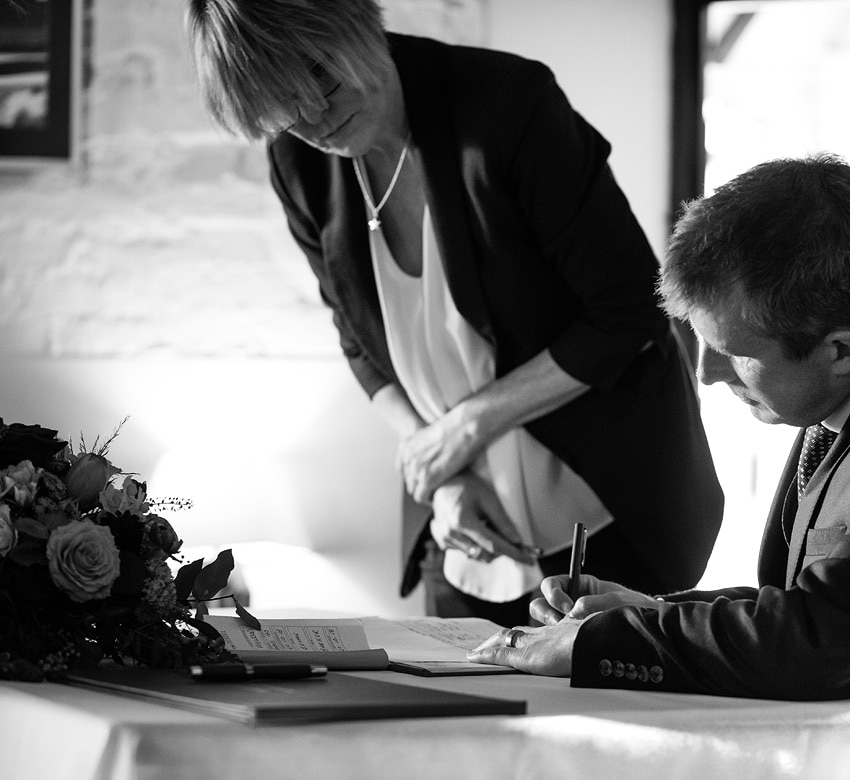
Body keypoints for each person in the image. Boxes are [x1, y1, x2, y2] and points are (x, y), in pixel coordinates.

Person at [470, 154, 850, 780]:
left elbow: (820, 642)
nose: (706, 373)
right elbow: (818, 601)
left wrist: (598, 644)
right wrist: (648, 613)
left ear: (840, 350)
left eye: (734, 352)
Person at [182, 0, 724, 625]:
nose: (314, 121)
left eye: (323, 83)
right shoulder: (298, 164)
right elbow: (360, 344)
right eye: (282, 108)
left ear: (358, 23)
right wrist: (443, 474)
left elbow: (631, 310)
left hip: (607, 513)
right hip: (463, 524)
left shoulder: (506, 104)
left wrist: (462, 430)